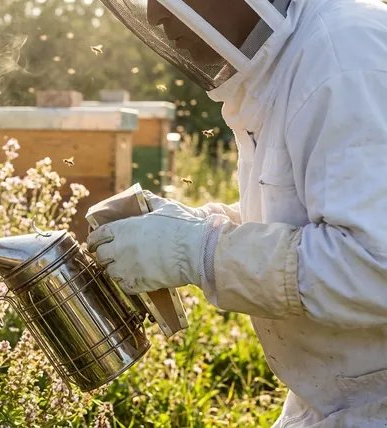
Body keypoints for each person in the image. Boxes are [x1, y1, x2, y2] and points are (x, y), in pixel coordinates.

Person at [87, 0, 387, 426]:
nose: (154, 14)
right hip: (341, 401)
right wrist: (193, 226)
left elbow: (372, 266)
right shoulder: (293, 60)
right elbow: (305, 222)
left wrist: (197, 250)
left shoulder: (344, 60)